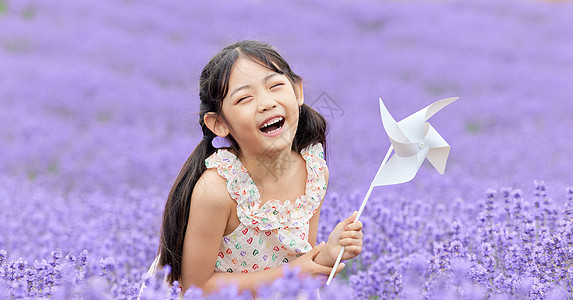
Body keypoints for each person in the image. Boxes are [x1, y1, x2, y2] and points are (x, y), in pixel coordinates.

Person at [143, 40, 363, 298]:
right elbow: (196, 286)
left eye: (275, 86)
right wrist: (292, 272)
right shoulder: (217, 190)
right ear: (219, 123)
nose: (266, 103)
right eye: (245, 98)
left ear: (298, 92)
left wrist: (328, 254)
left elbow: (301, 257)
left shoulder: (313, 173)